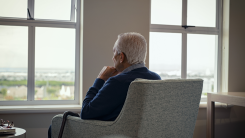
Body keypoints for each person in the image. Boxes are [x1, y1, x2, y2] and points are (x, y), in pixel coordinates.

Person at [48, 32, 161, 138]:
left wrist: (100, 79)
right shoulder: (156, 79)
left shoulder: (118, 82)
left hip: (113, 132)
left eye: (114, 52)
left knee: (54, 126)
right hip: (140, 133)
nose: (113, 58)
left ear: (121, 57)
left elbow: (86, 112)